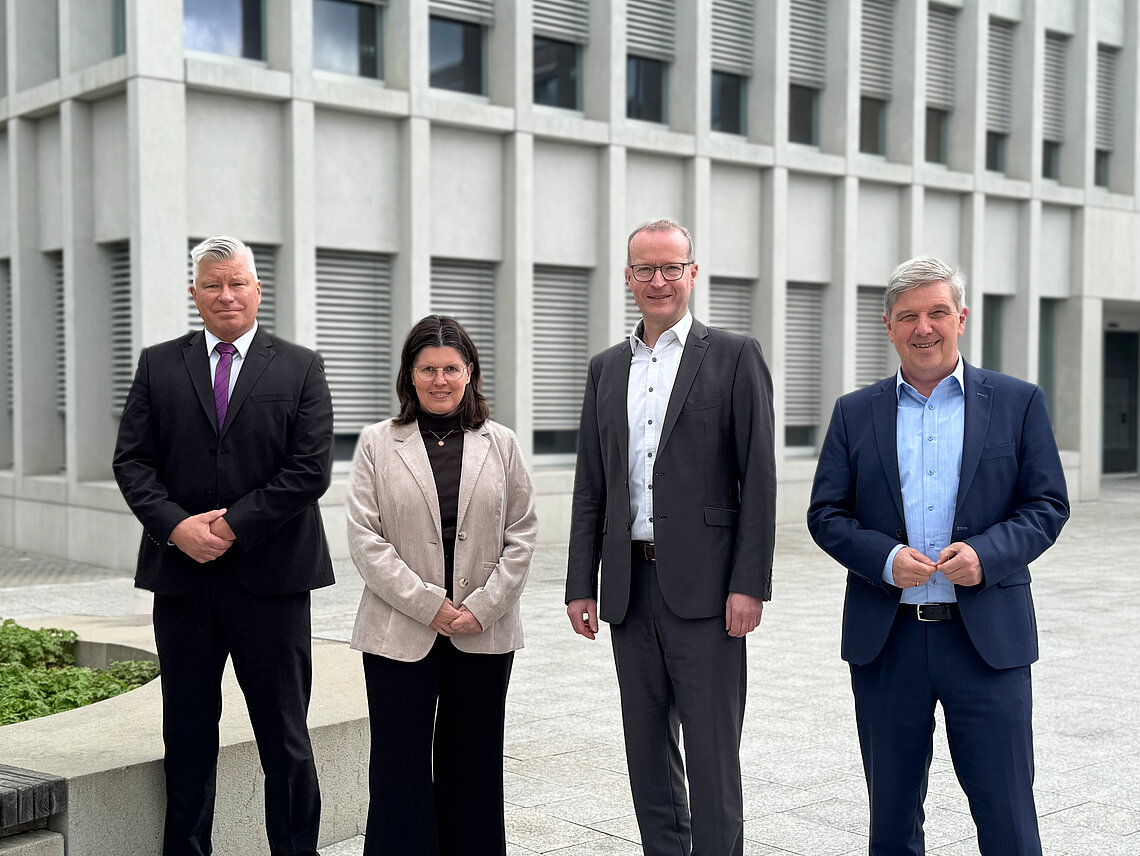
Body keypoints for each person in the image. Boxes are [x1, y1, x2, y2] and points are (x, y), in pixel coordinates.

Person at [807, 257, 1069, 855]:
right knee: (892, 820)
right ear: (889, 327)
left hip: (986, 643)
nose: (923, 328)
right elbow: (826, 515)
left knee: (1007, 815)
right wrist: (883, 557)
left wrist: (987, 554)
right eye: (908, 317)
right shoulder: (855, 412)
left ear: (961, 318)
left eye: (937, 313)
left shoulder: (1016, 401)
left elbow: (1047, 503)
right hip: (888, 640)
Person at [113, 236, 334, 856]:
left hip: (273, 581)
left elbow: (309, 469)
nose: (226, 295)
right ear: (194, 294)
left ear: (258, 289)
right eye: (213, 285)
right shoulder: (158, 364)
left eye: (237, 283)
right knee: (186, 735)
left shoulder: (300, 365)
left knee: (285, 738)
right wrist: (177, 528)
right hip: (182, 583)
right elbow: (132, 462)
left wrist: (231, 527)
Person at [565, 218, 776, 856]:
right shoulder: (606, 369)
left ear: (692, 273)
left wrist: (749, 586)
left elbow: (758, 481)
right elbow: (590, 486)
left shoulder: (735, 356)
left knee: (713, 757)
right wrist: (582, 584)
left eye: (671, 268)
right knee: (647, 753)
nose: (659, 281)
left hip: (709, 592)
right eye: (645, 269)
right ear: (628, 278)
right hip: (630, 589)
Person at [346, 314, 537, 856]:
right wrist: (430, 606)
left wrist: (482, 607)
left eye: (451, 368)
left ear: (470, 372)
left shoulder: (500, 443)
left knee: (473, 762)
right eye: (427, 368)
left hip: (483, 630)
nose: (439, 380)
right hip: (398, 632)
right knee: (398, 765)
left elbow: (522, 533)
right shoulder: (377, 443)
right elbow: (365, 538)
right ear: (409, 375)